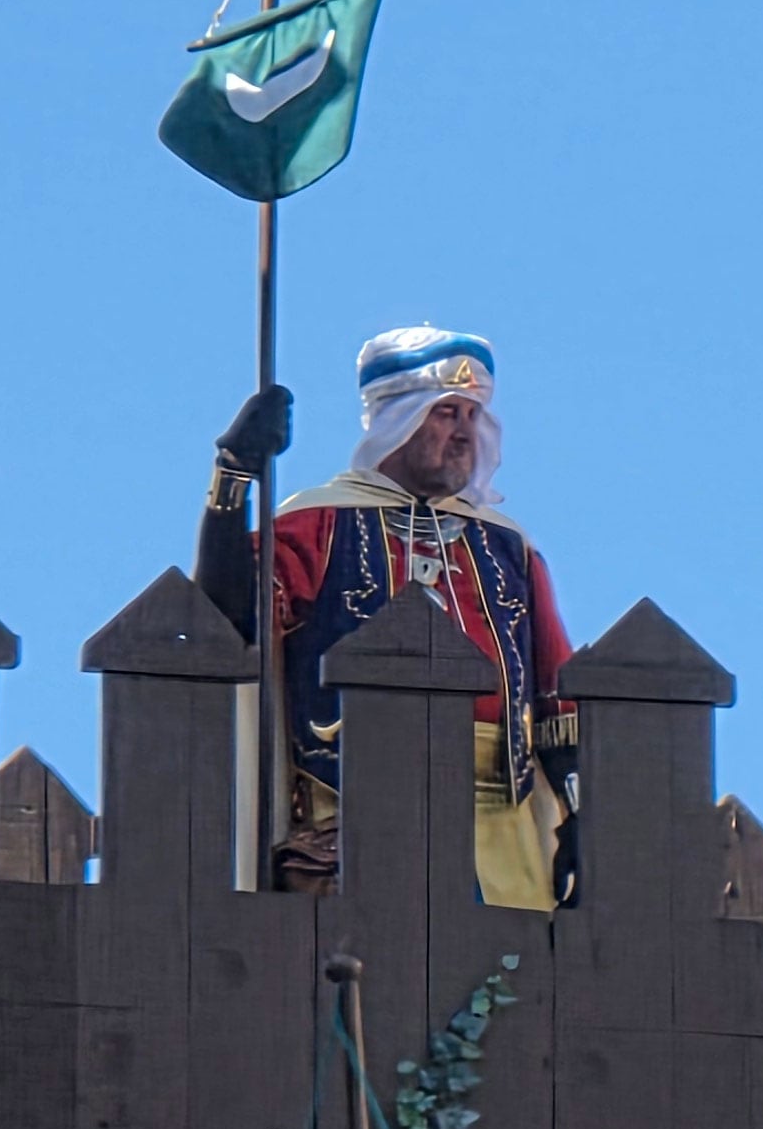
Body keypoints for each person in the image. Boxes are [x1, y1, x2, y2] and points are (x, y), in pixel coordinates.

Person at [193, 328, 581, 904]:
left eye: (472, 415)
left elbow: (556, 694)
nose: (464, 432)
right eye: (445, 412)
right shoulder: (318, 524)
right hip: (355, 799)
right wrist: (235, 474)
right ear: (399, 418)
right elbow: (227, 617)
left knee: (507, 955)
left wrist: (579, 812)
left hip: (505, 813)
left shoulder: (508, 547)